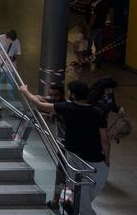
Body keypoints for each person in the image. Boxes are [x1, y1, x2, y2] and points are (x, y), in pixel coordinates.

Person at [21, 81, 109, 215]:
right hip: (97, 160)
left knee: (82, 198)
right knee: (87, 194)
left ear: (72, 95)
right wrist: (107, 159)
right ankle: (71, 204)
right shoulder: (98, 112)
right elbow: (105, 140)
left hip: (75, 158)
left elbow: (40, 105)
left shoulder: (67, 108)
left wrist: (25, 91)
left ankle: (72, 204)